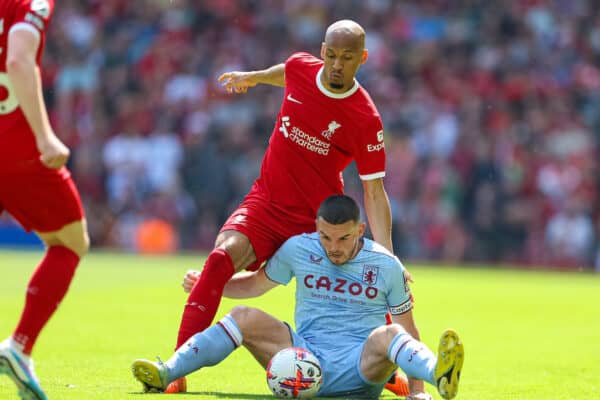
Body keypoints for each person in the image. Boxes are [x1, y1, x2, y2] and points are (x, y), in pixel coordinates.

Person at [168, 19, 410, 395]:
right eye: (330, 55)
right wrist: (255, 76)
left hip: (315, 219)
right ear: (322, 50)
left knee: (360, 283)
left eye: (347, 58)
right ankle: (177, 368)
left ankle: (389, 372)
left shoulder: (364, 118)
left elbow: (375, 193)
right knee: (219, 259)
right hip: (266, 202)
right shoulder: (301, 67)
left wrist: (388, 257)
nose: (336, 65)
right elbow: (286, 73)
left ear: (361, 59)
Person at [132, 195, 463, 399]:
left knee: (391, 334)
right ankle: (167, 372)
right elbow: (255, 284)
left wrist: (417, 393)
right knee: (244, 316)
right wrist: (209, 284)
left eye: (343, 238)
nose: (333, 247)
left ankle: (439, 375)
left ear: (360, 231)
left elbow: (409, 331)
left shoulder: (386, 264)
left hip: (359, 368)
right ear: (316, 227)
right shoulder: (299, 249)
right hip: (302, 358)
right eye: (325, 237)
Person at [0, 1, 89, 399]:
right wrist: (44, 136)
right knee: (70, 242)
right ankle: (19, 347)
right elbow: (17, 61)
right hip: (15, 147)